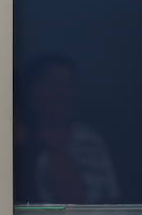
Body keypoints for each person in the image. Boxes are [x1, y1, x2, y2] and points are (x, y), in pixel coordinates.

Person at [15, 54, 119, 204]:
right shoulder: (13, 143)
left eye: (67, 85)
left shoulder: (89, 141)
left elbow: (97, 204)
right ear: (32, 91)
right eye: (52, 84)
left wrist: (54, 148)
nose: (61, 94)